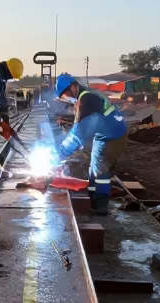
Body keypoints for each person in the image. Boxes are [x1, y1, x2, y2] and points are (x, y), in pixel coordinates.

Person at [54, 73, 128, 213]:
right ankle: (92, 199)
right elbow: (79, 128)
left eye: (65, 94)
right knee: (93, 168)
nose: (66, 98)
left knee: (100, 170)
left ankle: (100, 206)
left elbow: (78, 134)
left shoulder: (86, 99)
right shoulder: (85, 96)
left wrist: (62, 152)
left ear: (73, 87)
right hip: (106, 133)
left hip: (112, 135)